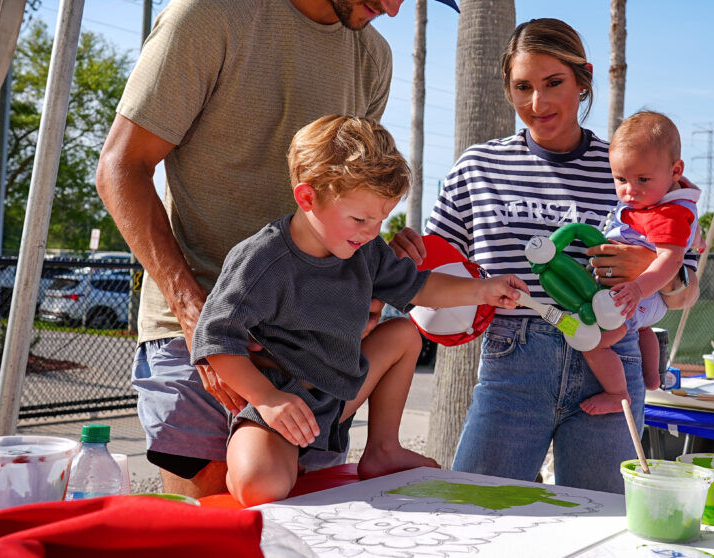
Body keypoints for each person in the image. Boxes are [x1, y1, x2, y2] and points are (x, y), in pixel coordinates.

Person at [95, 0, 459, 498]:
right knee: (214, 524)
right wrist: (193, 312)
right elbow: (120, 169)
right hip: (205, 334)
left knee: (297, 530)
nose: (396, 6)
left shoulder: (373, 58)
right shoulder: (215, 10)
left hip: (312, 354)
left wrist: (374, 261)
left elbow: (343, 198)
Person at [390, 18, 701, 494]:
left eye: (554, 82)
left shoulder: (633, 164)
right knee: (476, 513)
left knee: (599, 524)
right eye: (523, 87)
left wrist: (650, 273)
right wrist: (406, 258)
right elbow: (433, 277)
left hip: (611, 363)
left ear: (583, 81)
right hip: (512, 365)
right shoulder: (477, 169)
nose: (537, 103)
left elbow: (686, 293)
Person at [191, 116, 526, 506]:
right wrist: (268, 399)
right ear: (307, 198)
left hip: (339, 394)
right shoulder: (262, 260)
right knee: (259, 486)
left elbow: (421, 287)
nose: (372, 232)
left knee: (403, 334)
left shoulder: (366, 251)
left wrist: (483, 290)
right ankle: (265, 455)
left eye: (380, 220)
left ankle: (383, 449)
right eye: (360, 219)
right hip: (282, 402)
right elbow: (214, 338)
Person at [580, 111, 701, 415]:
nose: (630, 191)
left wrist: (637, 288)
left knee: (594, 343)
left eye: (642, 180)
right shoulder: (663, 201)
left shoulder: (667, 214)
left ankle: (616, 393)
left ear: (676, 171)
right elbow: (692, 235)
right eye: (621, 179)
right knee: (642, 330)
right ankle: (652, 378)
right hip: (645, 301)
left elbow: (670, 261)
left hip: (640, 295)